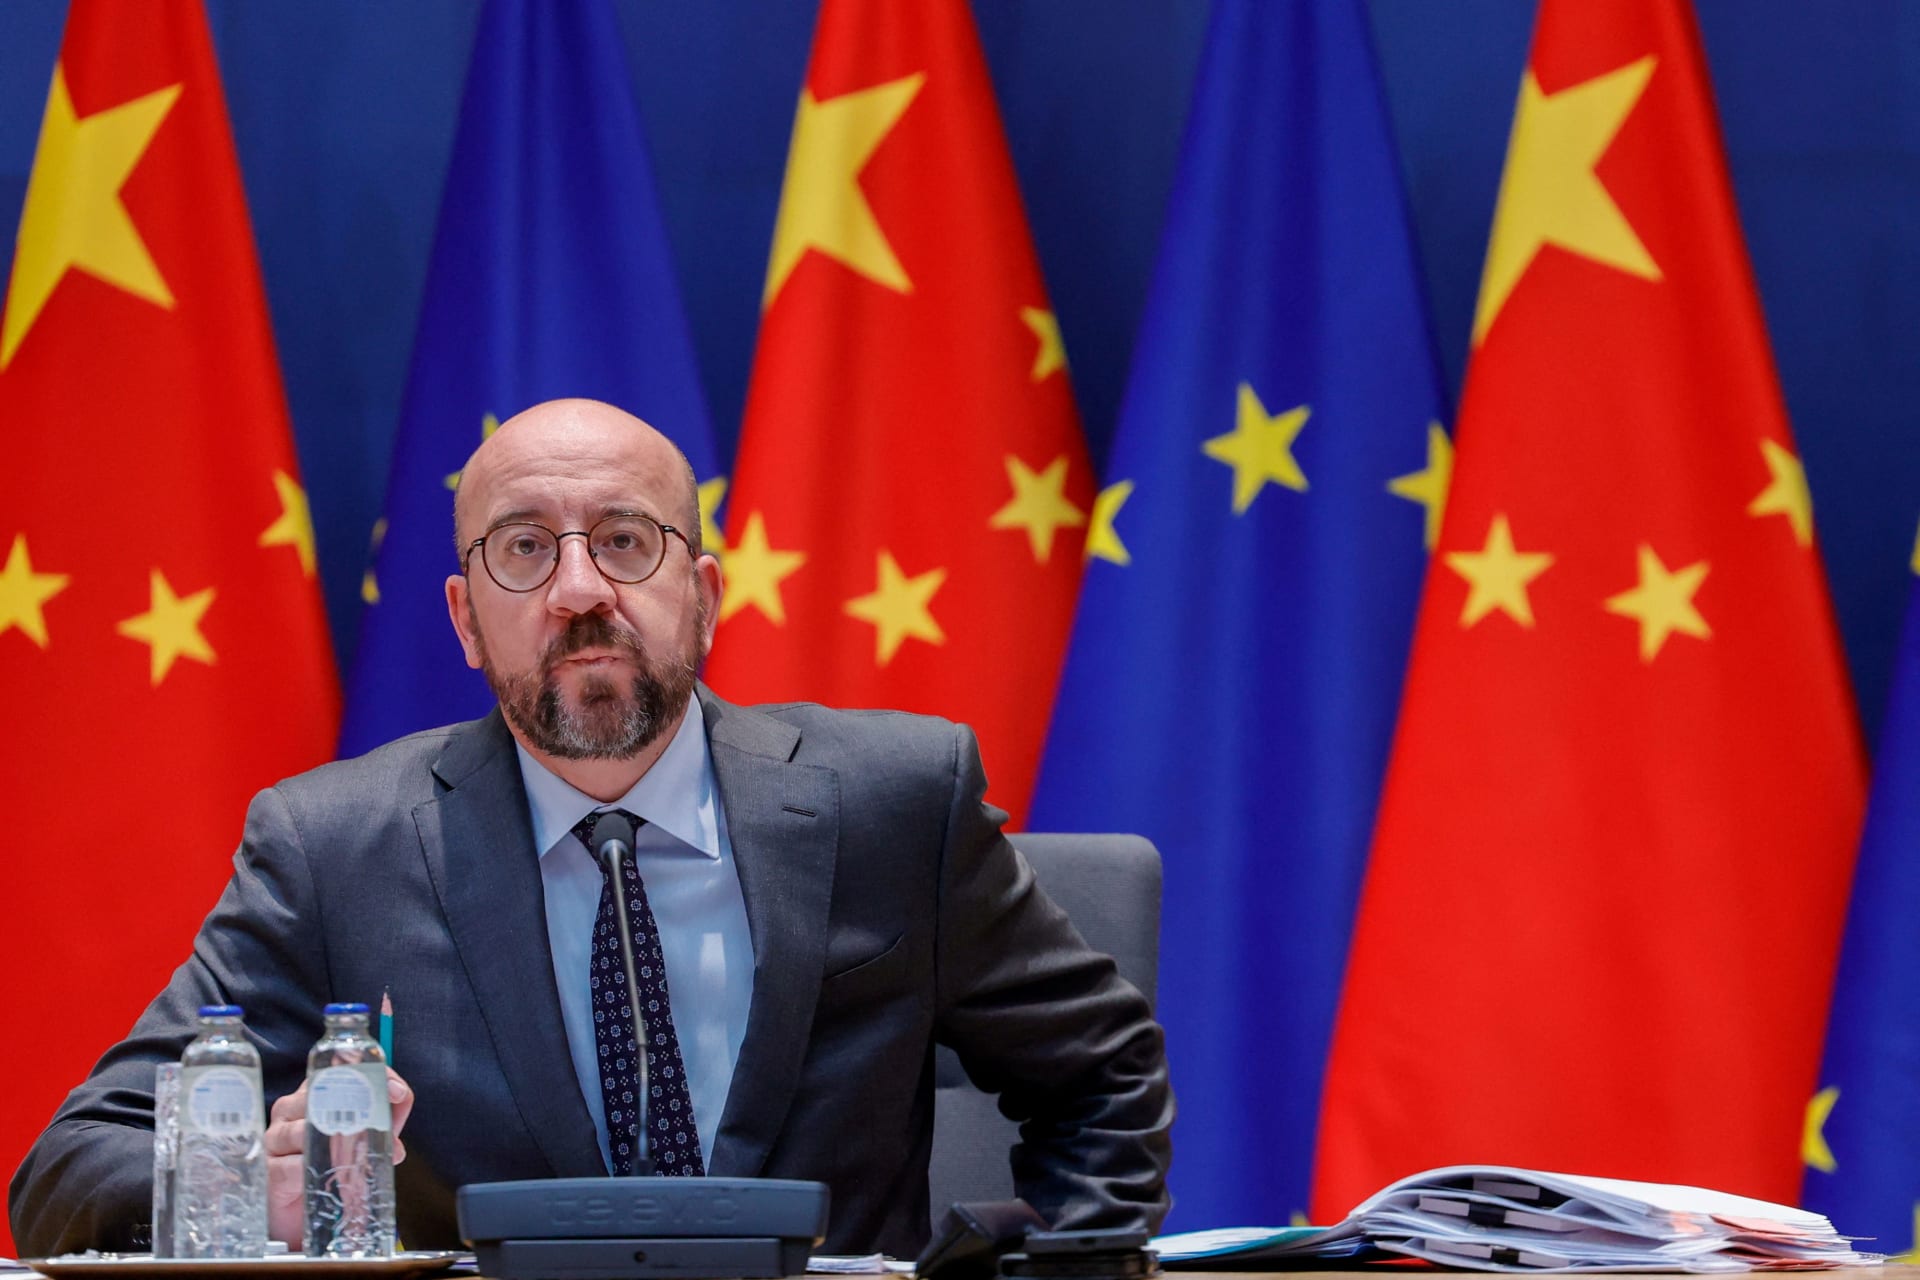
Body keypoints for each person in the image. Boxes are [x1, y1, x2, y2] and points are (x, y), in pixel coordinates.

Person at [8, 398, 1173, 1258]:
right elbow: (67, 1168)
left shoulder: (893, 800)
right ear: (467, 620)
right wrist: (240, 1190)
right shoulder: (334, 848)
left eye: (625, 539)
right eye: (523, 548)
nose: (578, 589)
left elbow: (1106, 1073)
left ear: (705, 593)